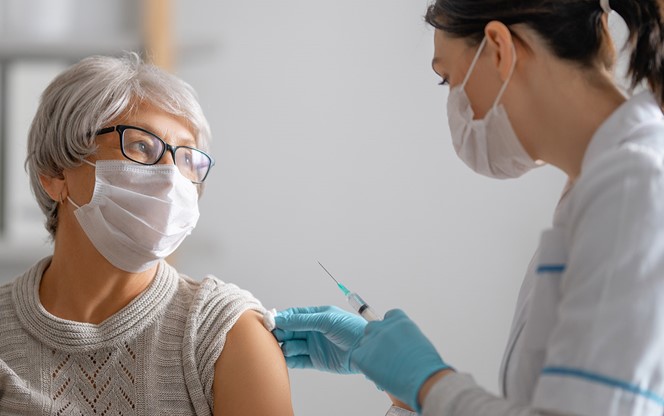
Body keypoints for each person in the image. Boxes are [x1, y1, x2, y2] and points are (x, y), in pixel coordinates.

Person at [274, 0, 664, 415]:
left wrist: (427, 381)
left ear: (498, 48)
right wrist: (405, 392)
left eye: (447, 79)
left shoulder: (633, 188)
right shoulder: (599, 193)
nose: (456, 106)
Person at [0, 53, 293, 416]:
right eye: (141, 146)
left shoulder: (226, 334)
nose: (172, 176)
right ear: (55, 174)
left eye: (187, 157)